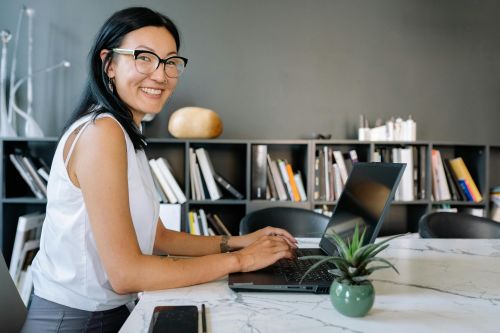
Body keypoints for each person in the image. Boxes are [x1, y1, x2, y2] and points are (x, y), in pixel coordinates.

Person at [22, 7, 296, 332]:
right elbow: (127, 274)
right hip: (75, 321)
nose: (160, 74)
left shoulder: (123, 132)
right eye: (144, 57)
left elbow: (158, 237)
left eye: (170, 61)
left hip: (106, 312)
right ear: (108, 64)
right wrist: (242, 260)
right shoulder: (101, 133)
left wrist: (240, 241)